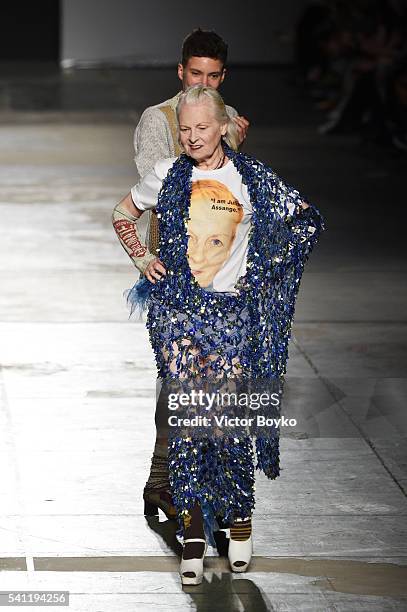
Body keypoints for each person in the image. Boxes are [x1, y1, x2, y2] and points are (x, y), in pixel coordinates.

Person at [112, 84, 325, 585]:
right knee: (188, 423)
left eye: (202, 128)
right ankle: (190, 531)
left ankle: (238, 518)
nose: (192, 137)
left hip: (232, 318)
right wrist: (143, 258)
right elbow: (123, 212)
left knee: (225, 421)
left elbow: (304, 223)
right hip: (177, 317)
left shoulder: (251, 179)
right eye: (184, 129)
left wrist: (263, 279)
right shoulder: (167, 176)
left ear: (225, 127)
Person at [131, 27, 250, 520]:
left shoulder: (225, 118)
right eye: (196, 73)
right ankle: (163, 477)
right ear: (181, 72)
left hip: (219, 272)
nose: (205, 80)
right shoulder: (158, 120)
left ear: (223, 76)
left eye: (214, 75)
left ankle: (205, 485)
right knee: (175, 379)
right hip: (173, 273)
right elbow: (159, 182)